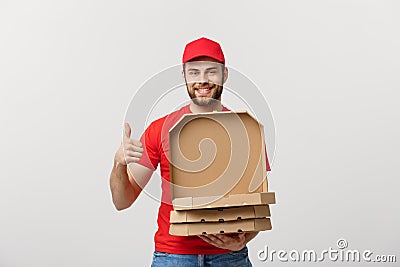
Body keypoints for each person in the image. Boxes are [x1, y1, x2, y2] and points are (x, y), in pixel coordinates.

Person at [110, 37, 271, 266]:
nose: (202, 80)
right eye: (194, 72)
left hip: (230, 258)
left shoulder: (247, 130)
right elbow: (121, 201)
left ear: (225, 75)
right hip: (173, 256)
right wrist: (119, 164)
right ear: (183, 76)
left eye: (211, 72)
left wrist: (243, 239)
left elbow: (257, 206)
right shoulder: (160, 130)